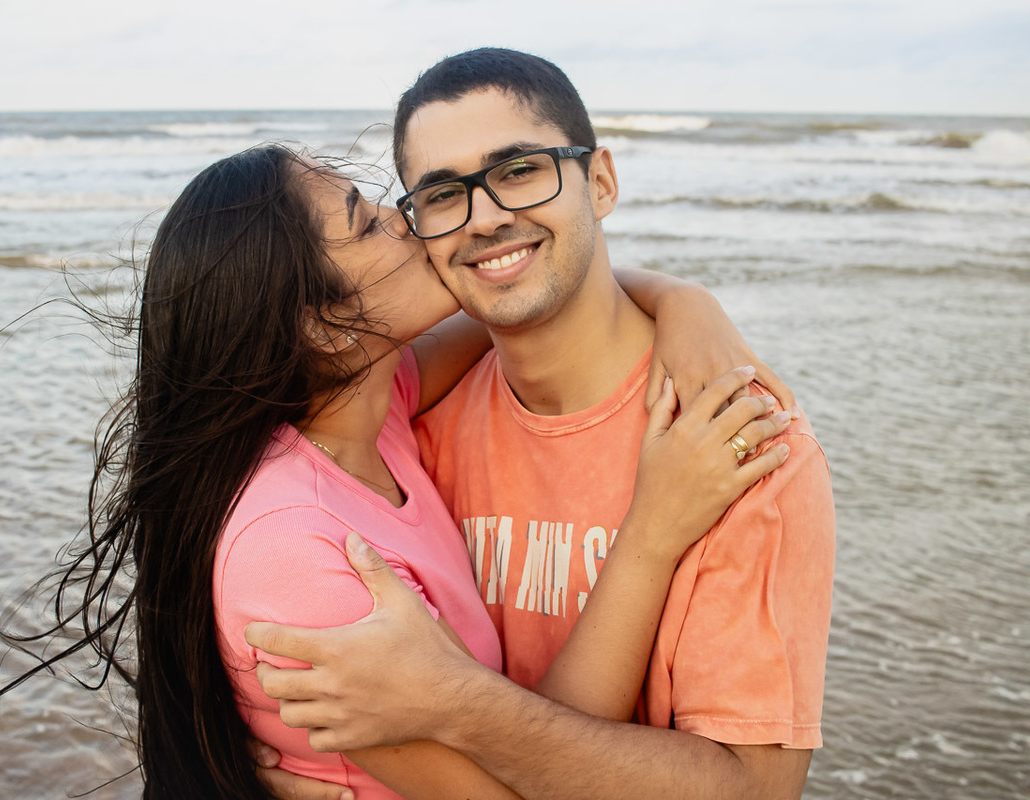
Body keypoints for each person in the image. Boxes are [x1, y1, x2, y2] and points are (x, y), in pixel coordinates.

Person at [0, 144, 791, 797]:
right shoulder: (298, 560)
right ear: (322, 330)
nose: (411, 223)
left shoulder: (369, 408)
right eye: (368, 225)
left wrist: (688, 303)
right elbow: (537, 782)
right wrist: (655, 529)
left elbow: (540, 298)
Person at [247, 48, 836, 800]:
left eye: (520, 170)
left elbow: (755, 791)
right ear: (420, 228)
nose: (486, 218)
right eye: (444, 194)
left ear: (600, 181)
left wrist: (687, 302)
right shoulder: (403, 429)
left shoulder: (738, 446)